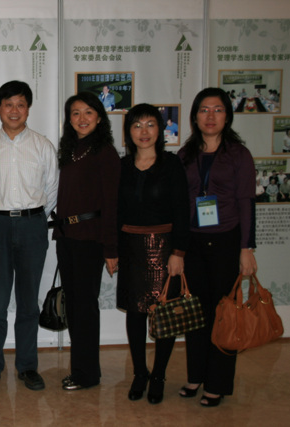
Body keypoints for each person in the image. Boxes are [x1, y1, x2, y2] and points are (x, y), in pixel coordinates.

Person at [0, 80, 59, 392]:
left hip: (32, 225)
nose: (14, 110)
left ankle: (27, 366)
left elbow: (52, 190)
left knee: (28, 302)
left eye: (20, 104)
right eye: (8, 104)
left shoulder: (42, 145)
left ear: (28, 109)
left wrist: (32, 217)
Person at [178, 87, 257, 407]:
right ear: (194, 117)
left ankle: (218, 382)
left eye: (218, 110)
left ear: (227, 116)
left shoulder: (239, 154)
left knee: (224, 315)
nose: (210, 116)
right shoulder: (185, 155)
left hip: (226, 240)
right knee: (196, 314)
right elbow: (178, 203)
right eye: (204, 110)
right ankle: (196, 375)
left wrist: (246, 248)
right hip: (193, 242)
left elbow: (246, 202)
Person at [116, 104, 190, 404]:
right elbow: (116, 211)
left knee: (164, 314)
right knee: (135, 313)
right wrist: (113, 249)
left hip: (164, 248)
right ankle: (140, 373)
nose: (143, 132)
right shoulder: (122, 166)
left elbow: (183, 211)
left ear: (160, 130)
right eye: (137, 125)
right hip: (130, 248)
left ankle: (158, 375)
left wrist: (178, 252)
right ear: (128, 132)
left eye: (150, 124)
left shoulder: (171, 164)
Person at [51, 92, 119, 391]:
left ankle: (87, 373)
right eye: (75, 113)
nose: (82, 118)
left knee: (85, 308)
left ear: (99, 117)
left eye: (88, 112)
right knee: (75, 306)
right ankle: (82, 368)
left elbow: (112, 204)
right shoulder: (70, 150)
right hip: (67, 237)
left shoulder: (105, 152)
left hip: (91, 239)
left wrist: (111, 248)